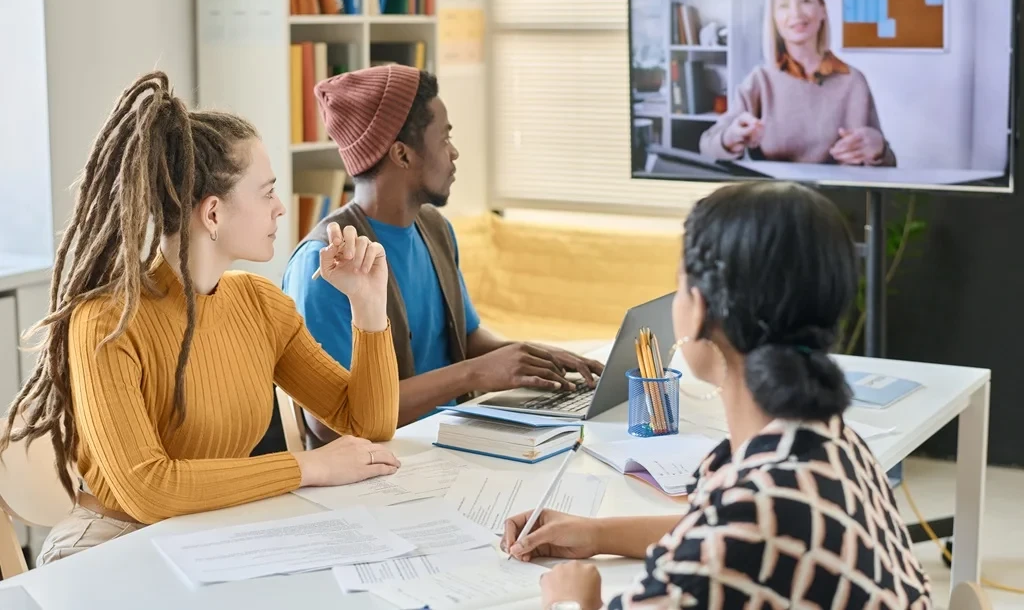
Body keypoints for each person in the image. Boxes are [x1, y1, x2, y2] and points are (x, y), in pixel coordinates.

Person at [0, 72, 404, 566]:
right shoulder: (105, 322)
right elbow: (149, 488)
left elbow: (369, 424)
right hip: (109, 545)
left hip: (213, 536)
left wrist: (367, 304)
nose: (281, 208)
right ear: (212, 214)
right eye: (267, 192)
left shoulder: (260, 304)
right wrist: (309, 466)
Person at [501, 182, 933, 609]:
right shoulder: (832, 442)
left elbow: (731, 540)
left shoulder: (747, 526)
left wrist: (571, 602)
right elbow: (718, 532)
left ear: (701, 307)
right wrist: (596, 533)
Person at [283, 65, 603, 445]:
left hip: (453, 443)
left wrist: (533, 357)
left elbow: (463, 338)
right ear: (402, 155)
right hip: (382, 468)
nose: (453, 152)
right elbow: (330, 422)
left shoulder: (434, 228)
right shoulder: (327, 264)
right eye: (444, 137)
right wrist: (473, 373)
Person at [700, 0, 897, 167]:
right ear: (774, 19)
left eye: (806, 1)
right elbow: (707, 144)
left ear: (822, 11)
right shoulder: (760, 80)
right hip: (774, 196)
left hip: (836, 197)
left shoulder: (854, 81)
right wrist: (730, 137)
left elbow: (889, 166)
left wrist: (879, 149)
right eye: (784, 5)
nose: (796, 13)